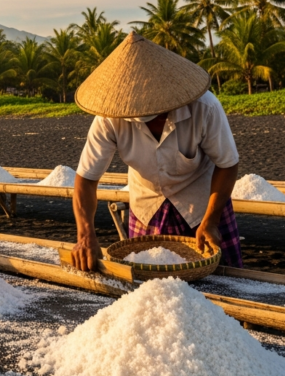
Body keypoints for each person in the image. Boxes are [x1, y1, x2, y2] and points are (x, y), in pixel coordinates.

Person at [69, 32, 242, 271]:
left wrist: (211, 221)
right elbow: (86, 180)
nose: (156, 120)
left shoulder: (205, 108)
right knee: (149, 285)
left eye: (160, 113)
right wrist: (85, 235)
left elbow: (227, 164)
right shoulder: (110, 118)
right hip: (147, 205)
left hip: (202, 204)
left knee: (224, 281)